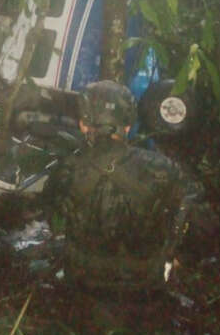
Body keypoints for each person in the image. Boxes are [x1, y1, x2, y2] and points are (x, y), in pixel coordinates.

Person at [43, 80, 202, 295]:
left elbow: (54, 222)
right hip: (143, 291)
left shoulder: (66, 170)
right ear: (127, 127)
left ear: (83, 125)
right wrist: (171, 252)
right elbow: (192, 207)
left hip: (81, 289)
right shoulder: (162, 168)